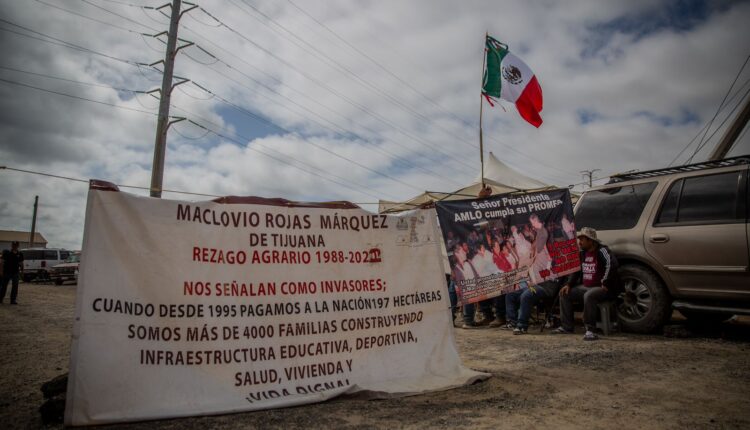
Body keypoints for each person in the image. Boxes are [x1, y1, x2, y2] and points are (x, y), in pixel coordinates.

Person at [553, 227, 623, 341]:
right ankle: (567, 327)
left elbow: (612, 265)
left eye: (582, 239)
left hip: (602, 288)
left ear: (591, 241)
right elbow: (576, 270)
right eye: (579, 239)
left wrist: (605, 282)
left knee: (589, 295)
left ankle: (590, 330)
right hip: (586, 286)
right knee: (564, 293)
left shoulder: (602, 250)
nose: (579, 242)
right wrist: (569, 284)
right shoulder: (583, 253)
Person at [528, 214, 551, 284]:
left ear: (535, 220)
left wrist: (547, 254)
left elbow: (544, 245)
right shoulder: (539, 230)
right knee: (535, 270)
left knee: (548, 273)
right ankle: (542, 283)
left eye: (532, 223)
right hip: (539, 253)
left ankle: (547, 284)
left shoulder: (543, 232)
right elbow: (540, 242)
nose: (532, 225)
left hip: (542, 254)